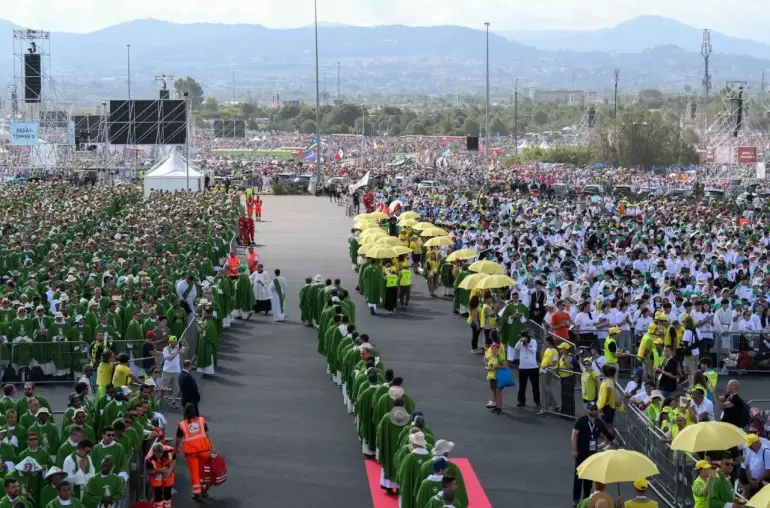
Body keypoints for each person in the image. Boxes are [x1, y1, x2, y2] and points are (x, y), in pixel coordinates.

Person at [571, 402, 615, 507]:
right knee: (579, 476)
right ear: (587, 410)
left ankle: (586, 498)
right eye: (592, 409)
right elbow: (574, 435)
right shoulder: (581, 421)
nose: (594, 411)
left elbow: (607, 433)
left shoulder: (599, 423)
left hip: (592, 454)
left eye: (595, 409)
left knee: (589, 477)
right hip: (581, 453)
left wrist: (614, 441)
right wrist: (574, 450)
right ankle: (576, 499)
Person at [175, 403, 212, 501]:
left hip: (191, 453)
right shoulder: (201, 421)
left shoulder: (182, 424)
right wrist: (211, 447)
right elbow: (207, 434)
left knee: (194, 473)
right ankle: (204, 490)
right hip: (204, 450)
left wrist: (176, 449)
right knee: (203, 472)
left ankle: (197, 493)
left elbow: (178, 439)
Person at [514, 330, 541, 408]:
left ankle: (537, 401)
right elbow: (516, 348)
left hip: (533, 367)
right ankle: (521, 401)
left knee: (535, 386)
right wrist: (520, 341)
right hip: (523, 367)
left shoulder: (533, 342)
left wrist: (527, 346)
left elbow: (533, 351)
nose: (522, 339)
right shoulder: (521, 342)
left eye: (523, 337)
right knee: (522, 386)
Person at [145, 442, 175, 508]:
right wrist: (159, 470)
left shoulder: (170, 450)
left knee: (167, 492)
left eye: (159, 454)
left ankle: (167, 506)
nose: (158, 456)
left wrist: (169, 470)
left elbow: (173, 460)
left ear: (163, 451)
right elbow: (149, 471)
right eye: (156, 454)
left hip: (167, 474)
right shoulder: (149, 458)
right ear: (154, 452)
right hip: (156, 476)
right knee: (158, 495)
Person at [742, 433, 770, 499]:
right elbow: (747, 466)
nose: (749, 448)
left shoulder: (766, 451)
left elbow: (768, 470)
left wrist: (758, 481)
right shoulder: (750, 450)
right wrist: (750, 480)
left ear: (756, 443)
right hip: (752, 482)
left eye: (751, 446)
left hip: (762, 483)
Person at [484, 342, 506, 415]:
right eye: (492, 348)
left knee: (498, 393)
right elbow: (488, 365)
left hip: (498, 377)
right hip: (492, 377)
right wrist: (488, 367)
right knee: (495, 392)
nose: (493, 350)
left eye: (495, 348)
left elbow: (505, 366)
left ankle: (500, 408)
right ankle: (497, 406)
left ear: (497, 349)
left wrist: (497, 367)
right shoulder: (491, 357)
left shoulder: (500, 357)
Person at [161, 336, 182, 409]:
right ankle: (160, 400)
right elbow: (169, 358)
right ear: (169, 342)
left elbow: (187, 350)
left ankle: (173, 401)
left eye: (175, 342)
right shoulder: (165, 349)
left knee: (176, 387)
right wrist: (177, 351)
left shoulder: (178, 348)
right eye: (173, 342)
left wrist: (185, 343)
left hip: (176, 371)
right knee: (164, 387)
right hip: (167, 371)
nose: (174, 343)